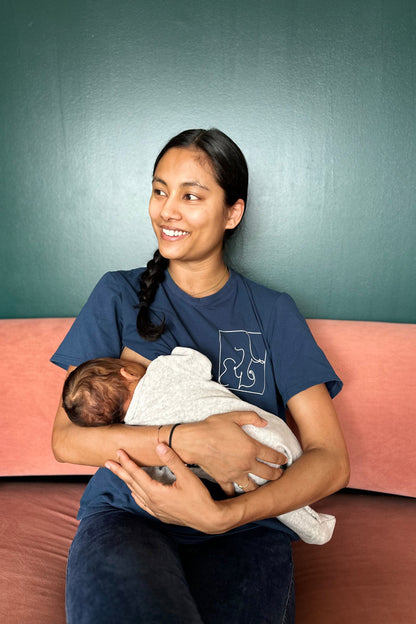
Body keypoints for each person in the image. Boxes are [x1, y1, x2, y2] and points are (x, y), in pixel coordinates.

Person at [51, 128, 350, 624]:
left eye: (191, 195)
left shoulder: (273, 312)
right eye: (159, 190)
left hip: (246, 529)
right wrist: (188, 440)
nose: (167, 210)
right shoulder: (117, 294)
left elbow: (332, 460)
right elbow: (66, 439)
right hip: (129, 515)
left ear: (233, 213)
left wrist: (222, 516)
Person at [61, 347, 337, 545]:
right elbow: (197, 362)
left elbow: (165, 473)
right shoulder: (161, 371)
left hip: (230, 482)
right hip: (271, 433)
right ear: (127, 372)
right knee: (271, 482)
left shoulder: (133, 432)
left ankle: (312, 527)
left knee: (260, 488)